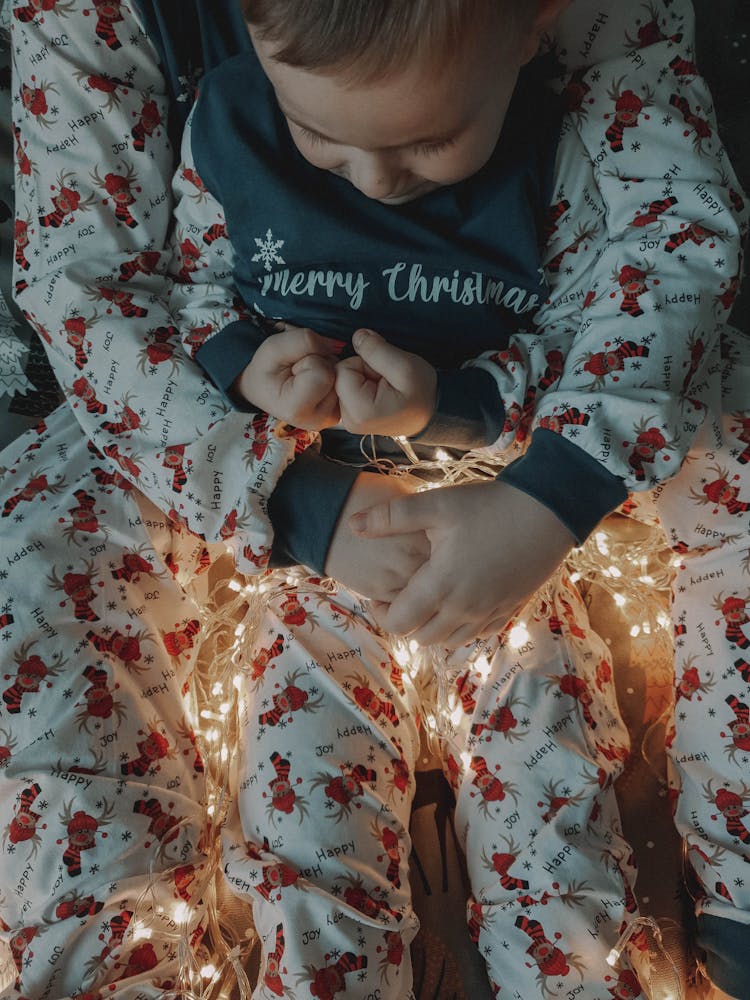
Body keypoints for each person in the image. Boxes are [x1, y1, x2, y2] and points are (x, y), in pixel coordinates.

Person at [2, 2, 748, 999]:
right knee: (31, 582)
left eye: (430, 142)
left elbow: (669, 238)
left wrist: (545, 493)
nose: (378, 184)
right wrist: (292, 496)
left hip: (539, 407)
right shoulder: (202, 107)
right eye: (319, 138)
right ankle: (114, 966)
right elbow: (97, 289)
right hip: (223, 450)